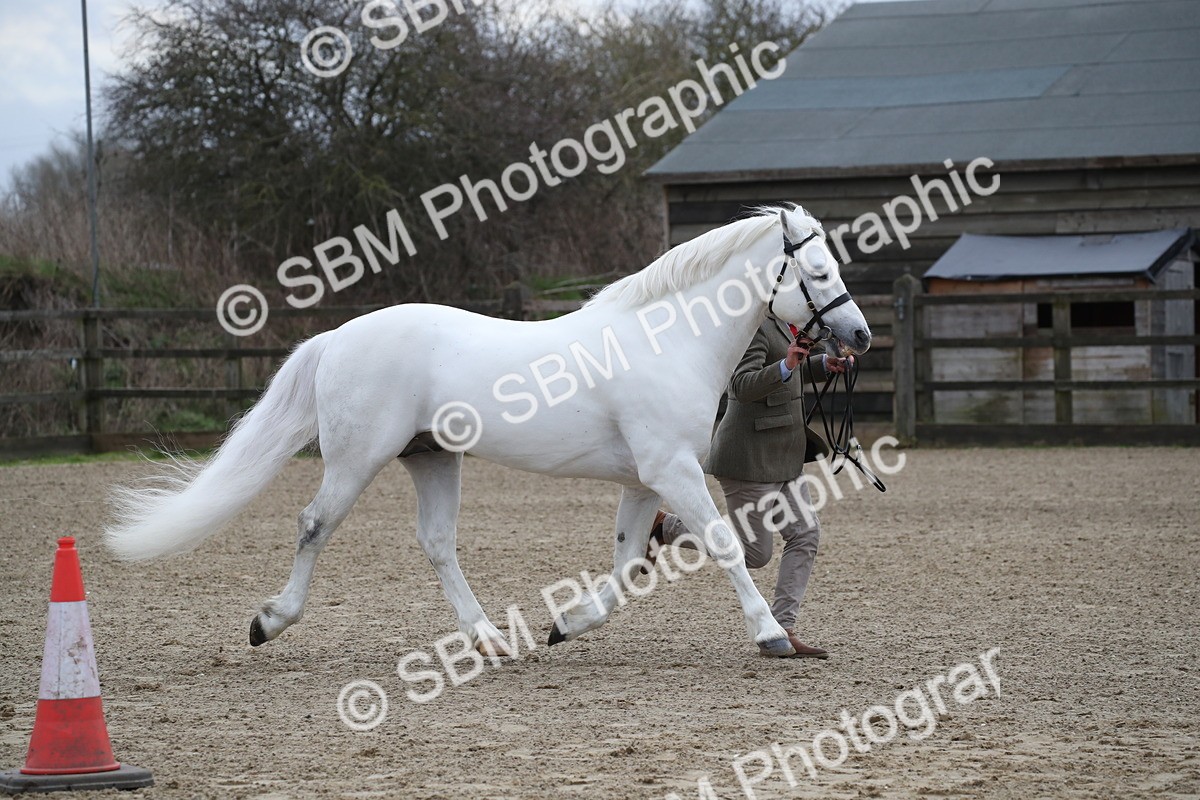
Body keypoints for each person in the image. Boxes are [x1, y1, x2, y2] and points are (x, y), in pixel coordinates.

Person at [645, 316, 852, 658]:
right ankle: (665, 528)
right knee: (755, 555)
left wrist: (821, 364)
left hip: (786, 452)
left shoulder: (788, 324)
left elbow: (791, 372)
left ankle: (782, 628)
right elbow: (740, 386)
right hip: (749, 456)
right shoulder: (752, 326)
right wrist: (786, 364)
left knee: (805, 534)